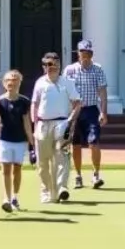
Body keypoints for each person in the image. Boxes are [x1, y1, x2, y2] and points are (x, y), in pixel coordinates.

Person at [30, 52, 81, 204]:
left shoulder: (67, 82)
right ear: (44, 67)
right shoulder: (40, 82)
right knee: (43, 161)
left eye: (54, 65)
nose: (51, 68)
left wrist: (70, 121)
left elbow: (78, 103)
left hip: (62, 123)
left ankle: (62, 189)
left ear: (59, 65)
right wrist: (34, 123)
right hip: (43, 124)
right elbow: (35, 103)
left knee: (62, 157)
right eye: (48, 65)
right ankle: (46, 192)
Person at [64, 37, 109, 190]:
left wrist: (103, 112)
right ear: (78, 53)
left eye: (88, 53)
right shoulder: (70, 70)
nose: (85, 56)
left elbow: (102, 92)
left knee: (93, 142)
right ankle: (78, 175)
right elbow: (65, 92)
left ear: (91, 54)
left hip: (91, 110)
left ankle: (96, 174)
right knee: (75, 145)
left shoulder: (98, 69)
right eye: (83, 52)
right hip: (75, 111)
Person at [0, 68, 35, 213]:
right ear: (4, 83)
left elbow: (27, 122)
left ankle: (15, 197)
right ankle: (6, 199)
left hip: (20, 140)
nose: (12, 82)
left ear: (19, 83)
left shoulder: (24, 101)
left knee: (17, 169)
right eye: (9, 80)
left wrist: (31, 141)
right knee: (5, 170)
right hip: (4, 139)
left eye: (15, 79)